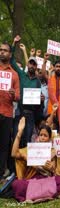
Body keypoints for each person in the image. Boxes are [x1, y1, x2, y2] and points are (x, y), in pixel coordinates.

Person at [11, 118, 60, 202]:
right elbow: (14, 153)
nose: (43, 138)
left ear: (49, 138)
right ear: (38, 136)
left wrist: (51, 168)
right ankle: (46, 194)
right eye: (41, 135)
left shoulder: (52, 151)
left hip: (46, 180)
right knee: (16, 184)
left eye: (45, 135)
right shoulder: (31, 149)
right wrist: (19, 132)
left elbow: (53, 170)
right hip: (32, 181)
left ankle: (32, 195)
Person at [0, 42, 20, 179]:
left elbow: (18, 96)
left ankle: (1, 173)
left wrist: (14, 94)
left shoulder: (14, 75)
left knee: (4, 145)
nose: (2, 52)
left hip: (7, 114)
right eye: (0, 50)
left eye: (5, 50)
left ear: (10, 54)